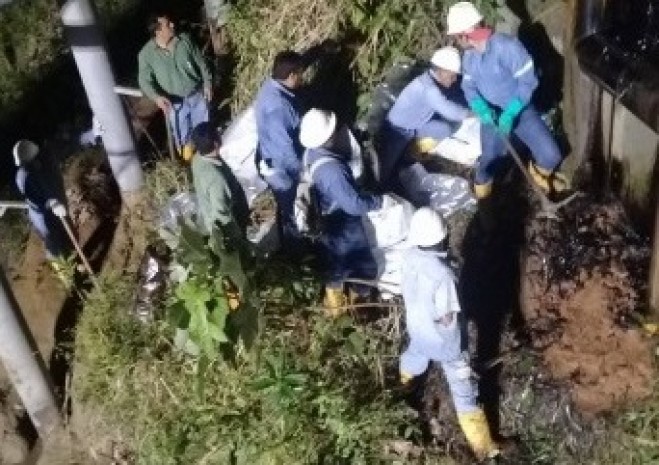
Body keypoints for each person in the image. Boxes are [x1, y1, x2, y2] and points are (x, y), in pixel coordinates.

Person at [400, 207, 500, 462]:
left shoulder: (409, 256)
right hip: (447, 345)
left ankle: (402, 388)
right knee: (464, 391)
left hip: (418, 331)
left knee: (413, 357)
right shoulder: (443, 275)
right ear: (442, 237)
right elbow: (446, 317)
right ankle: (485, 448)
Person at [446, 1, 566, 200]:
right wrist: (479, 105)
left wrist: (512, 110)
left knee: (551, 156)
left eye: (457, 37)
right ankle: (484, 196)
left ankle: (537, 175)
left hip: (520, 110)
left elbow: (529, 80)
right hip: (492, 114)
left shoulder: (506, 47)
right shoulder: (469, 57)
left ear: (464, 34)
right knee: (488, 161)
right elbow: (468, 86)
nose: (457, 42)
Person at [299, 108, 383, 315]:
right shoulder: (333, 170)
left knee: (335, 262)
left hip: (325, 218)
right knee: (362, 265)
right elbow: (353, 205)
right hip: (342, 220)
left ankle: (334, 305)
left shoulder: (311, 154)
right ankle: (361, 307)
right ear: (328, 137)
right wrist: (376, 201)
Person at [378, 46, 472, 184]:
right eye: (452, 76)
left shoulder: (430, 79)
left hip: (416, 125)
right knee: (386, 168)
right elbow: (450, 111)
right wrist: (474, 114)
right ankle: (381, 186)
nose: (454, 80)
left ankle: (414, 149)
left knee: (444, 129)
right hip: (398, 130)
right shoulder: (429, 89)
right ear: (441, 71)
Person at [138, 12, 212, 161]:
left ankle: (207, 161)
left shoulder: (185, 41)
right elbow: (144, 81)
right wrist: (157, 97)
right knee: (183, 138)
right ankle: (189, 164)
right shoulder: (146, 55)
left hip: (197, 95)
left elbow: (202, 63)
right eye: (167, 24)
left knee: (204, 132)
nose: (172, 25)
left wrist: (208, 84)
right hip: (175, 104)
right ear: (158, 31)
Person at [253, 51, 306, 252]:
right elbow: (286, 149)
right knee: (291, 211)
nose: (302, 77)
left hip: (271, 158)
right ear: (291, 75)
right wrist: (302, 172)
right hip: (282, 169)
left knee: (287, 209)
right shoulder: (280, 107)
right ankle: (294, 252)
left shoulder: (271, 87)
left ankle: (291, 244)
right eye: (300, 73)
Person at [13, 140, 70, 262]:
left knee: (58, 240)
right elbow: (35, 199)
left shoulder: (24, 172)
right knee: (54, 245)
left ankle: (68, 262)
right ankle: (67, 273)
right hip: (41, 216)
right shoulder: (27, 176)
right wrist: (52, 203)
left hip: (43, 212)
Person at [190, 122, 249, 236]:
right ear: (216, 144)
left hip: (211, 215)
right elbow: (221, 214)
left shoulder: (198, 158)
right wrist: (237, 239)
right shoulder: (216, 179)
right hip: (228, 228)